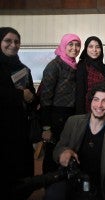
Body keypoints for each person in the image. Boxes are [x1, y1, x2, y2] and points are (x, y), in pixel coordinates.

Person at [44, 82, 105, 200]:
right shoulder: (73, 122)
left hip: (99, 186)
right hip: (71, 180)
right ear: (91, 102)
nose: (99, 105)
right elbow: (56, 151)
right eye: (96, 99)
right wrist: (63, 152)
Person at [0, 27, 36, 199]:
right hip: (3, 132)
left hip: (20, 131)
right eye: (8, 41)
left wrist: (31, 98)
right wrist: (20, 94)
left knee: (20, 178)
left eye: (16, 41)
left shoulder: (23, 69)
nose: (13, 45)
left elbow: (31, 97)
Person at [40, 33, 81, 174]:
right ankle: (50, 189)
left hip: (71, 115)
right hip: (56, 116)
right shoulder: (54, 65)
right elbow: (45, 97)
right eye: (71, 44)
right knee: (53, 153)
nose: (74, 48)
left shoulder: (75, 65)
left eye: (77, 45)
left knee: (69, 151)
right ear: (64, 45)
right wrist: (46, 127)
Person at [76, 36, 105, 114]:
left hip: (102, 108)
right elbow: (80, 93)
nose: (94, 50)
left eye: (97, 47)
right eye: (91, 47)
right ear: (86, 49)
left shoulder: (103, 67)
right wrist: (81, 115)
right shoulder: (82, 65)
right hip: (86, 110)